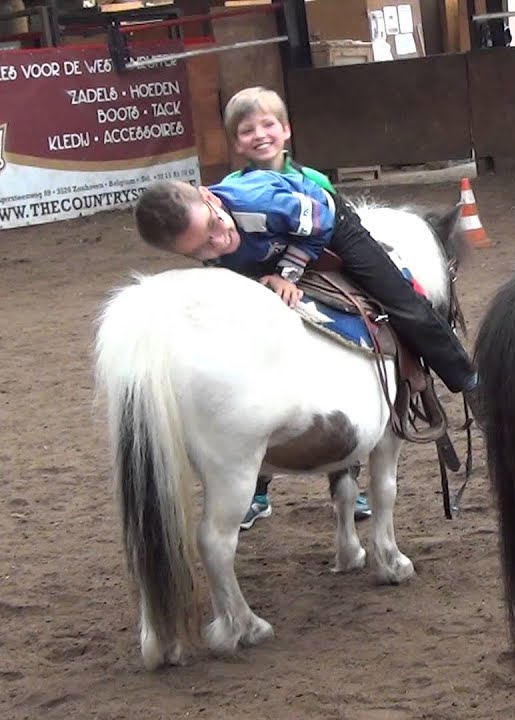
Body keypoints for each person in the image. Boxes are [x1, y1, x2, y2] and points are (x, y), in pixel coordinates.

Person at [132, 172, 481, 523]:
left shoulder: (259, 204)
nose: (219, 241)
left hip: (329, 226)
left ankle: (468, 380)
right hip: (269, 244)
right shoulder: (221, 233)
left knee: (404, 303)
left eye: (214, 225)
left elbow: (317, 221)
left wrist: (288, 273)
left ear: (211, 198)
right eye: (202, 249)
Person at [221, 85, 371, 530]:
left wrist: (292, 273)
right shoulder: (232, 189)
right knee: (256, 388)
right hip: (258, 284)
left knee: (347, 358)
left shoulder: (316, 183)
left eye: (268, 125)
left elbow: (334, 233)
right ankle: (257, 490)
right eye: (247, 130)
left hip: (312, 275)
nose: (260, 135)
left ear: (286, 130)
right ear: (237, 143)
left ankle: (349, 480)